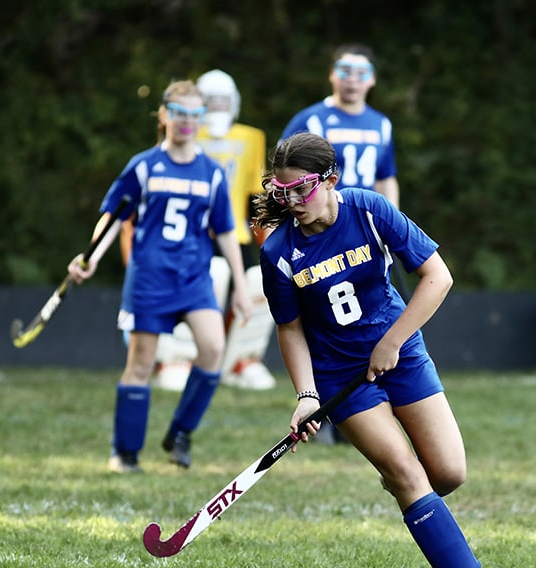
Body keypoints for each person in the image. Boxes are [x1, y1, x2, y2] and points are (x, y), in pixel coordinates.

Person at [253, 132, 496, 568]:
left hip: (400, 352)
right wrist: (306, 395)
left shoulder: (369, 209)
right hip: (340, 375)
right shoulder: (278, 251)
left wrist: (392, 342)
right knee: (406, 473)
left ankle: (402, 483)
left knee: (448, 473)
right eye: (283, 192)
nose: (293, 202)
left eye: (301, 189)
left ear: (330, 180)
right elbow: (290, 329)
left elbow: (438, 277)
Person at [69, 79, 251, 473]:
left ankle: (180, 433)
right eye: (180, 113)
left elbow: (225, 230)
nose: (187, 121)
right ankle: (125, 454)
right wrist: (92, 256)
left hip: (194, 278)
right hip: (150, 279)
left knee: (213, 348)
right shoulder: (144, 165)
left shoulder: (213, 173)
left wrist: (239, 285)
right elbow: (114, 217)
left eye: (195, 114)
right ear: (164, 115)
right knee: (141, 363)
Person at [121, 70, 276, 392]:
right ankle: (178, 358)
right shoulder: (183, 136)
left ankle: (243, 359)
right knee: (207, 280)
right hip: (190, 239)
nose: (217, 107)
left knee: (262, 281)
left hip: (234, 235)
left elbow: (256, 199)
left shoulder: (250, 138)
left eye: (222, 100)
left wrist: (273, 244)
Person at [280, 44, 398, 207]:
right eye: (345, 71)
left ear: (373, 78)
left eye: (361, 73)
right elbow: (282, 175)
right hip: (323, 215)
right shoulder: (310, 120)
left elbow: (385, 178)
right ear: (332, 74)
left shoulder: (381, 123)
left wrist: (392, 216)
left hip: (366, 215)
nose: (352, 79)